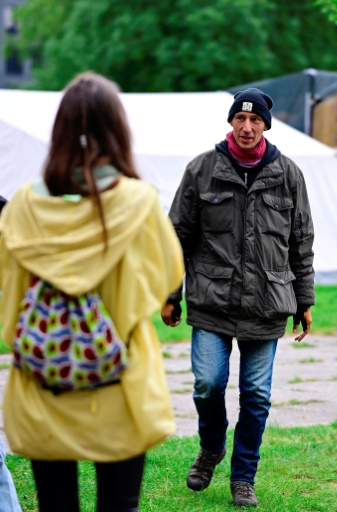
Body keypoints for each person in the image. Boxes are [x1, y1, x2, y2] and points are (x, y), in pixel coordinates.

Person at [0, 72, 184, 512]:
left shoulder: (23, 206)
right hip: (120, 383)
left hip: (44, 385)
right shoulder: (138, 203)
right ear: (118, 129)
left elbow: (9, 307)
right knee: (120, 506)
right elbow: (167, 277)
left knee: (55, 506)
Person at [161, 87, 315, 507]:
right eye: (239, 119)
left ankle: (243, 477)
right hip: (212, 301)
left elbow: (301, 242)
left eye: (255, 120)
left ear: (266, 124)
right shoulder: (202, 169)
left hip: (268, 303)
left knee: (257, 395)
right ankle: (211, 448)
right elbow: (178, 236)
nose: (247, 127)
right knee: (207, 384)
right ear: (231, 122)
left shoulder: (288, 174)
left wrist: (305, 300)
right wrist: (171, 294)